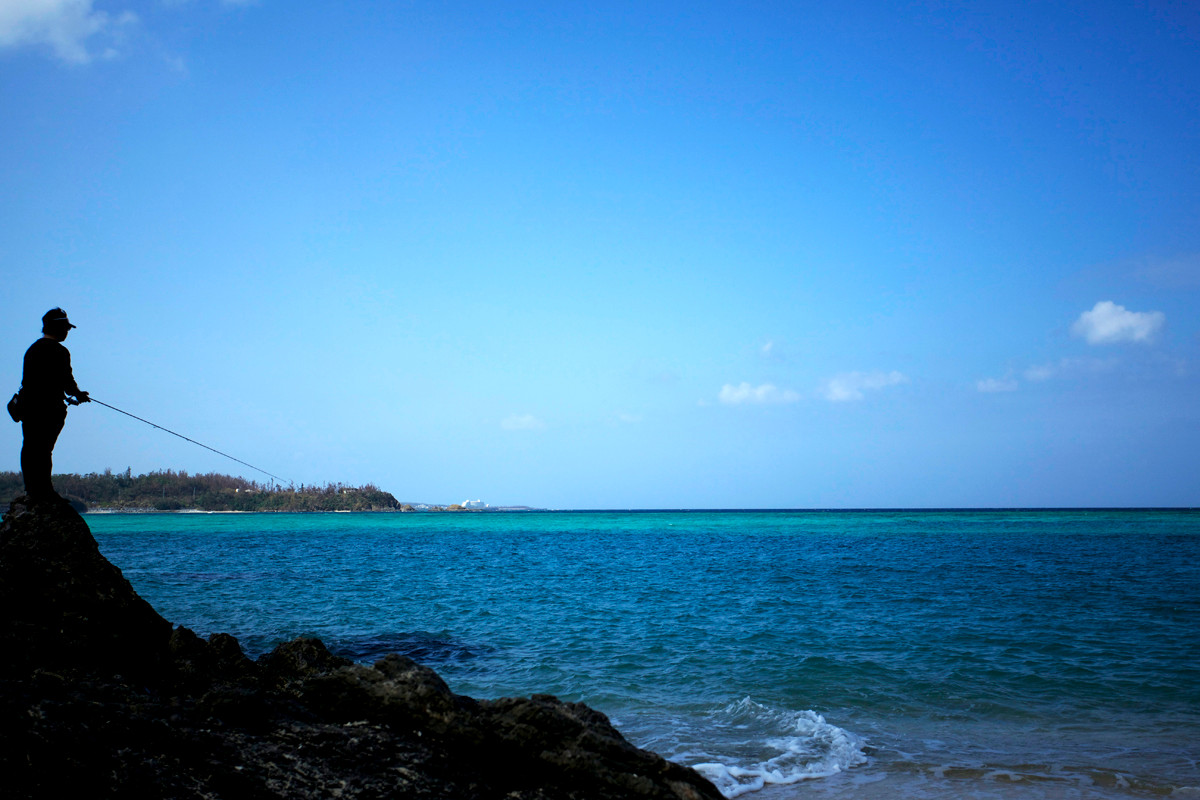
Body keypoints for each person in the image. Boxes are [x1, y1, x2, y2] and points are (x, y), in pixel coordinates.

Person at [18, 308, 89, 502]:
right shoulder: (59, 351)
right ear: (57, 328)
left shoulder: (32, 350)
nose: (67, 332)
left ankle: (32, 490)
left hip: (28, 408)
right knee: (44, 450)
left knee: (31, 448)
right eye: (65, 328)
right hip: (49, 410)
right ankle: (45, 492)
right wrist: (79, 394)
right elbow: (67, 381)